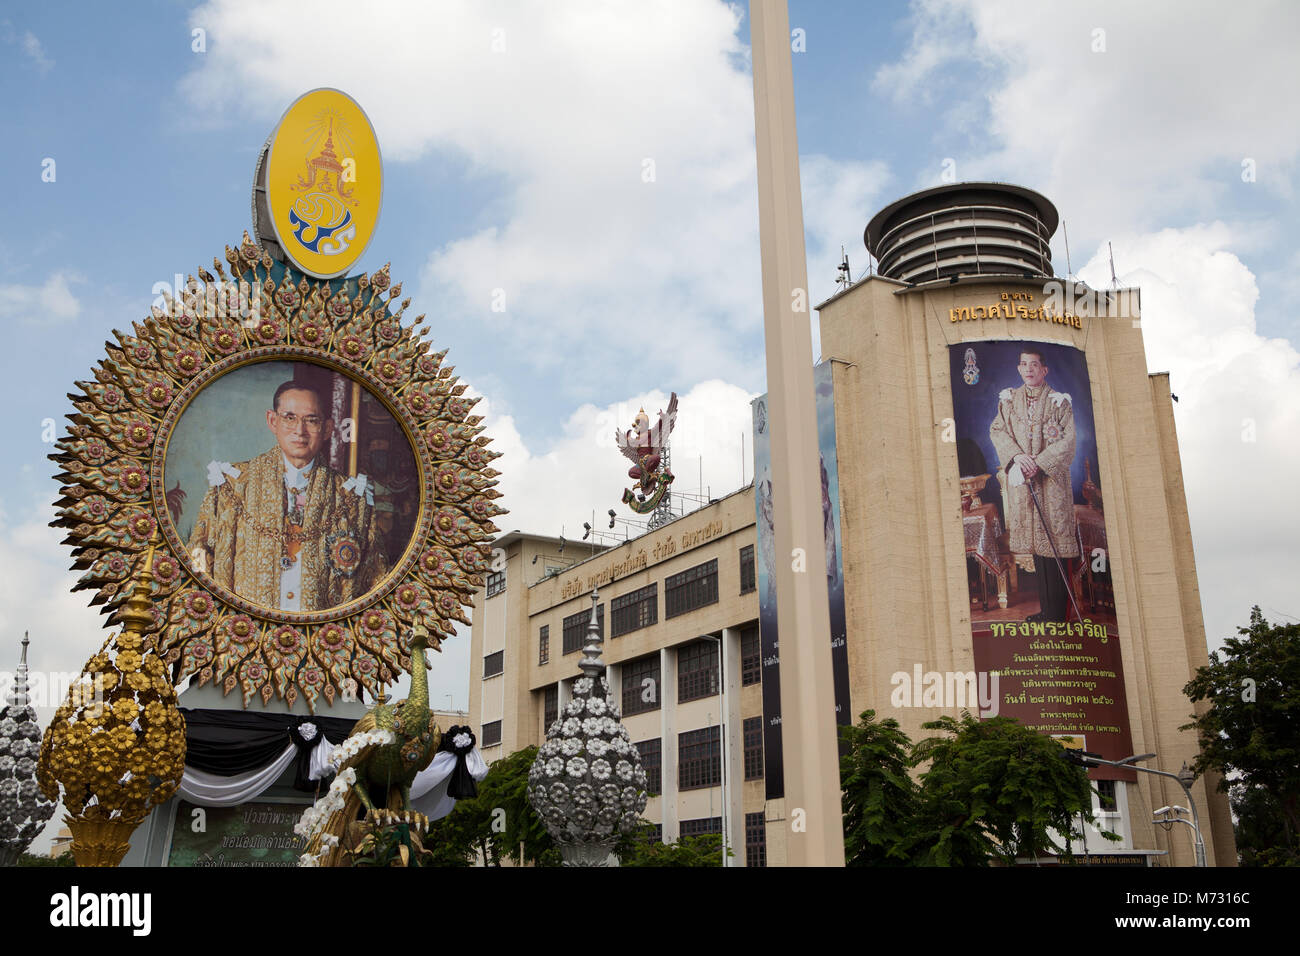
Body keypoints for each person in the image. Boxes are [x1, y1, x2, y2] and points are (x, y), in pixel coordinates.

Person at [186, 381, 386, 612]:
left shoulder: (352, 498)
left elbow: (374, 582)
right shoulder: (230, 487)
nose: (299, 431)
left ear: (328, 428)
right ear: (273, 421)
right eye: (289, 418)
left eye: (311, 420)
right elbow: (198, 569)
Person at [988, 348, 1079, 622]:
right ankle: (1047, 612)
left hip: (1051, 484)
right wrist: (1017, 457)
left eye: (1035, 365)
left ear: (1044, 370)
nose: (1029, 369)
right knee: (1039, 549)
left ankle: (1058, 614)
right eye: (1024, 364)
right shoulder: (1008, 401)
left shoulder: (1059, 402)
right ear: (1019, 369)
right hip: (1023, 481)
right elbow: (997, 430)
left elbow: (1069, 442)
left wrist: (1037, 463)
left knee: (1054, 548)